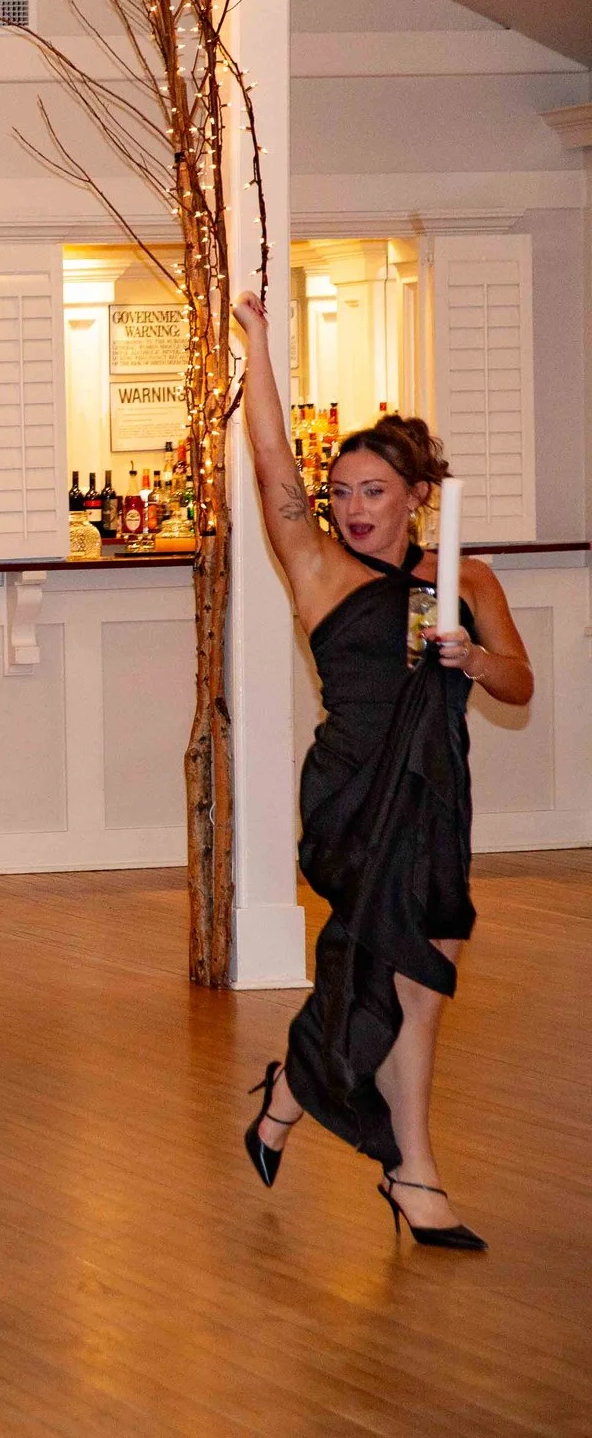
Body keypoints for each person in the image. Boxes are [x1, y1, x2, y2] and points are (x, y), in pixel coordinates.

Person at [232, 294, 530, 1252]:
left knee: (419, 983)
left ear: (415, 498)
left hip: (437, 793)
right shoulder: (317, 568)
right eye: (344, 490)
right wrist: (257, 345)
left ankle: (294, 1091)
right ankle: (416, 1170)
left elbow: (520, 683)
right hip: (353, 799)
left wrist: (472, 660)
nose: (352, 508)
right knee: (394, 968)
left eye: (373, 491)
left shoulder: (467, 581)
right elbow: (273, 465)